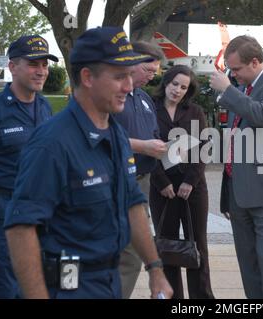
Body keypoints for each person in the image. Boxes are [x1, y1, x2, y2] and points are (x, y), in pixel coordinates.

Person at [4, 27, 173, 299]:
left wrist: (155, 268)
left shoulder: (115, 134)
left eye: (130, 76)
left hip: (107, 281)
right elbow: (21, 229)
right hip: (66, 286)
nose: (128, 86)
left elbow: (133, 204)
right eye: (119, 77)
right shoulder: (52, 143)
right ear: (87, 77)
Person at [210, 35, 263, 299]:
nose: (232, 74)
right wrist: (228, 196)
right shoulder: (243, 90)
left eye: (236, 69)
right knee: (248, 268)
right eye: (230, 70)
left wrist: (228, 90)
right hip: (240, 195)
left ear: (256, 62)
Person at [0, 35, 58, 298]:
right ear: (12, 67)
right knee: (7, 288)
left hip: (40, 215)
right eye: (34, 64)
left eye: (44, 65)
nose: (41, 71)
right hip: (4, 216)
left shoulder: (45, 107)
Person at [150, 65, 214, 299]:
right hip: (162, 188)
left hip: (193, 188)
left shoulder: (195, 111)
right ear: (166, 82)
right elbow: (148, 149)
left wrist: (190, 181)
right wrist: (161, 182)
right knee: (166, 245)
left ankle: (202, 299)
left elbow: (204, 147)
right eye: (175, 84)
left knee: (198, 244)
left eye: (183, 87)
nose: (177, 90)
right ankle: (171, 297)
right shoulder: (150, 109)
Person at [114, 41, 168, 299]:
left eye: (155, 71)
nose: (152, 76)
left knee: (132, 251)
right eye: (148, 69)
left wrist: (159, 147)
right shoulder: (113, 96)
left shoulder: (144, 98)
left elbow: (153, 134)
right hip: (119, 180)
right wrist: (142, 146)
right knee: (130, 253)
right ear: (131, 63)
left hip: (143, 181)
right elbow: (100, 136)